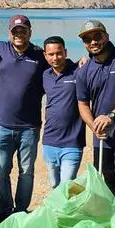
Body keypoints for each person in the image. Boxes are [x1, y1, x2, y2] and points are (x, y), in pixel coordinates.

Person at [0, 15, 48, 220]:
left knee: (26, 172)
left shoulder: (40, 55)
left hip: (29, 127)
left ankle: (20, 211)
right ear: (9, 33)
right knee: (1, 172)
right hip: (3, 126)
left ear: (30, 32)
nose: (19, 35)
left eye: (23, 31)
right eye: (15, 31)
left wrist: (82, 61)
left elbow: (61, 66)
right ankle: (5, 210)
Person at [74, 20, 115, 204]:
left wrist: (112, 115)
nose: (93, 42)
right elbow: (83, 104)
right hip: (102, 137)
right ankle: (114, 222)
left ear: (106, 36)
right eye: (87, 39)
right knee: (107, 182)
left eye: (97, 36)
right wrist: (94, 126)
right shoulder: (84, 70)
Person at [41, 36, 85, 188]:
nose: (55, 57)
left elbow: (101, 62)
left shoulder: (78, 71)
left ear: (65, 52)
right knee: (54, 184)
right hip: (49, 140)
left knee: (66, 185)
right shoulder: (44, 75)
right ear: (45, 56)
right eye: (51, 54)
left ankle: (65, 211)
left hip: (73, 142)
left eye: (59, 53)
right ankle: (57, 212)